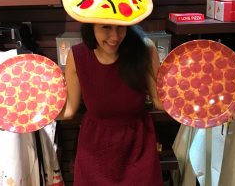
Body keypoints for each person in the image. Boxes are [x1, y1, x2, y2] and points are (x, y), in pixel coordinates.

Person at [57, 23, 165, 186]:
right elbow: (70, 109)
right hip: (94, 153)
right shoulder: (77, 55)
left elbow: (159, 100)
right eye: (106, 27)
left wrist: (193, 104)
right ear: (91, 27)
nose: (115, 37)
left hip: (138, 149)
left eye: (121, 27)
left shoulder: (145, 49)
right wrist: (37, 116)